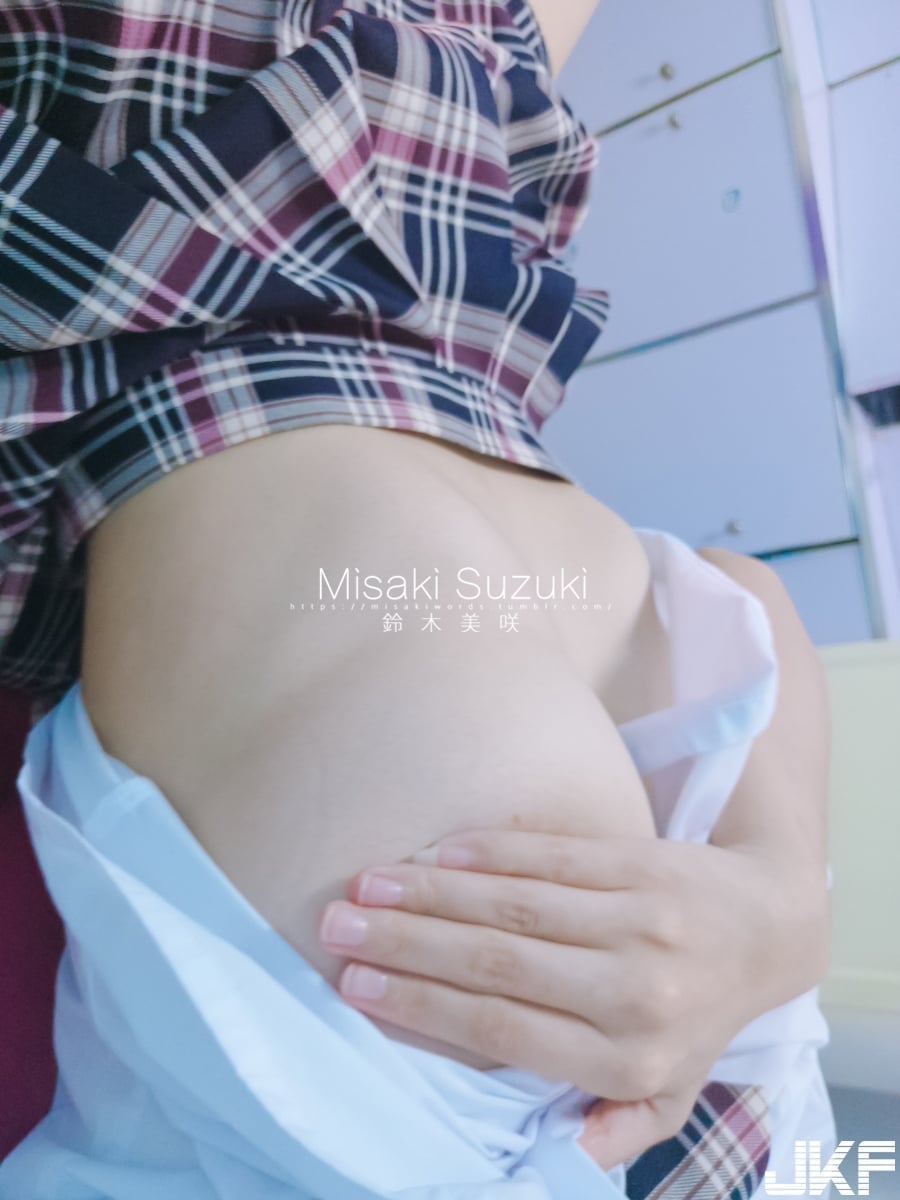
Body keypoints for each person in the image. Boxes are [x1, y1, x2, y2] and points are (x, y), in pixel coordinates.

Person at [0, 0, 834, 1194]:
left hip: (682, 1011)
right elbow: (741, 598)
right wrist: (782, 888)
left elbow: (739, 590)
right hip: (553, 1014)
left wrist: (784, 896)